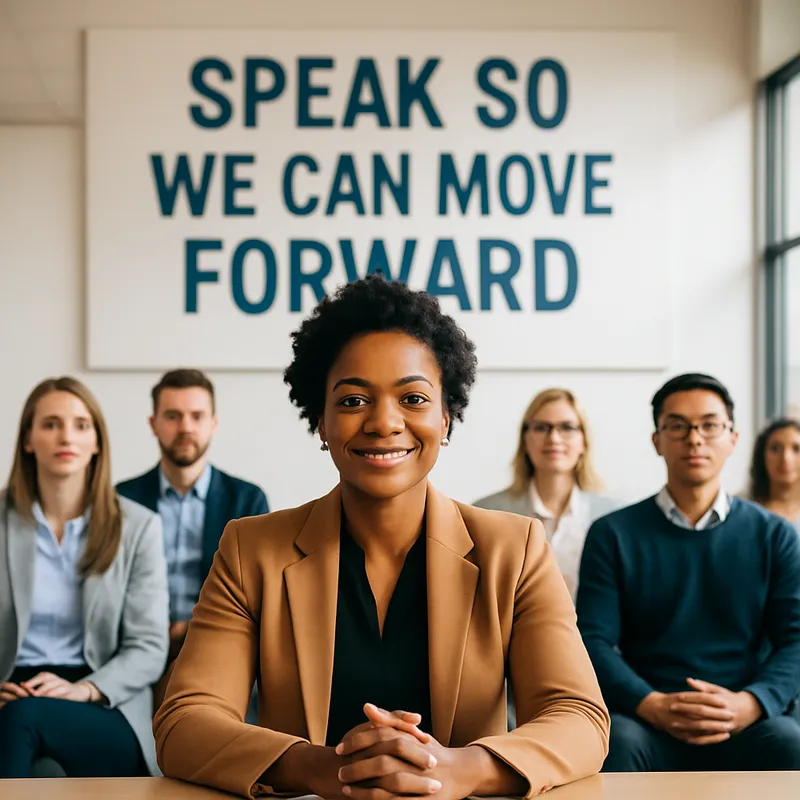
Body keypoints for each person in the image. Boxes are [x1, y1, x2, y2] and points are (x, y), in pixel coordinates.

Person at [154, 276, 610, 800]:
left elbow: (579, 717)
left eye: (413, 398)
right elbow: (185, 722)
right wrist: (320, 769)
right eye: (352, 401)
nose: (384, 422)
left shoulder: (516, 549)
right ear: (320, 423)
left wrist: (461, 768)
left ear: (446, 418)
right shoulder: (251, 549)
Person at [577, 373, 800, 773]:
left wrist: (752, 702)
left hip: (745, 719)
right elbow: (592, 639)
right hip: (646, 718)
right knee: (615, 743)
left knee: (789, 741)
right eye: (677, 426)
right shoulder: (613, 534)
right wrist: (650, 703)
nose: (694, 438)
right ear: (657, 440)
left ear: (732, 438)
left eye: (709, 425)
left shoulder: (775, 535)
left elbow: (796, 639)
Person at [0, 377, 169, 778]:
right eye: (51, 424)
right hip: (12, 688)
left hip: (104, 698)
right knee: (42, 770)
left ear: (97, 442)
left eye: (80, 424)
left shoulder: (138, 527)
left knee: (23, 721)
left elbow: (148, 646)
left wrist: (84, 689)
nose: (66, 436)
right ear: (28, 439)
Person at [116, 369, 269, 673]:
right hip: (133, 646)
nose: (185, 427)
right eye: (172, 416)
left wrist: (189, 631)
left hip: (219, 648)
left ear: (213, 424)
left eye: (196, 416)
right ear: (153, 424)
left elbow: (255, 594)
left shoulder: (247, 499)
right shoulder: (121, 499)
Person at [474, 388, 617, 601]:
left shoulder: (613, 517)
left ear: (584, 441)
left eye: (567, 427)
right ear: (525, 439)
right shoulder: (485, 513)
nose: (554, 438)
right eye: (541, 428)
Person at [748, 418, 800, 529]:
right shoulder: (742, 510)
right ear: (762, 455)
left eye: (796, 449)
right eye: (775, 448)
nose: (786, 458)